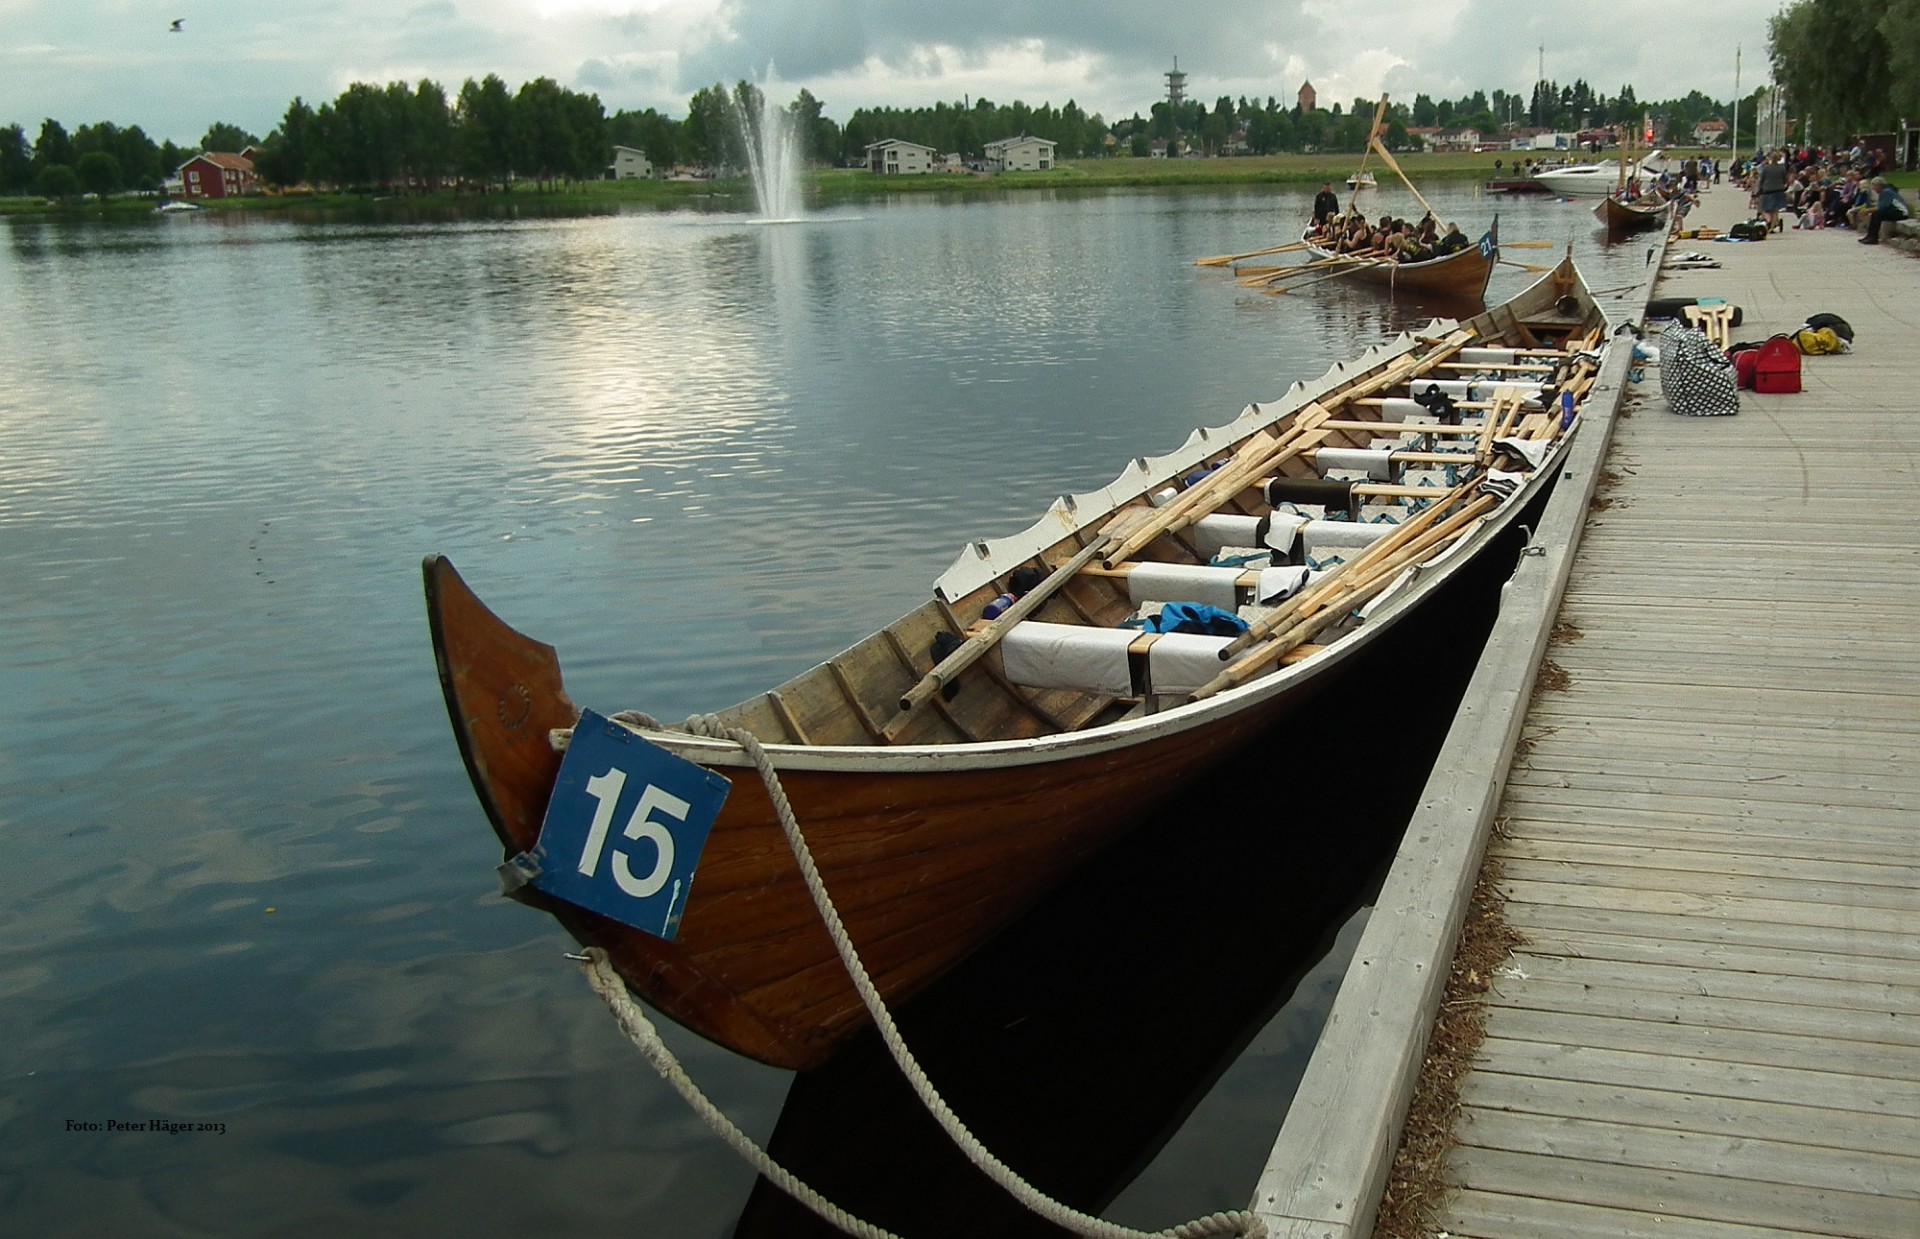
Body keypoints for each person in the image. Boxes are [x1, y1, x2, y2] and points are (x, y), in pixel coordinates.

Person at [1860, 177, 1911, 245]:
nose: (1873, 188)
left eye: (1874, 186)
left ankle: (1873, 238)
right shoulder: (1884, 192)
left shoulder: (1886, 192)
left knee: (1876, 214)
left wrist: (1867, 211)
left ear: (1879, 185)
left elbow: (1881, 207)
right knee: (1876, 214)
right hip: (1894, 211)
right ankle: (1870, 236)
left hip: (1901, 213)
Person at [1754, 151, 1790, 234]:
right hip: (1779, 189)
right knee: (1775, 210)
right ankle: (1773, 227)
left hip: (1767, 190)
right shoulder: (1782, 168)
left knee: (1764, 208)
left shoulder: (1766, 168)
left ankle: (1768, 220)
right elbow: (1785, 179)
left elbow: (1762, 180)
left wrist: (1759, 189)